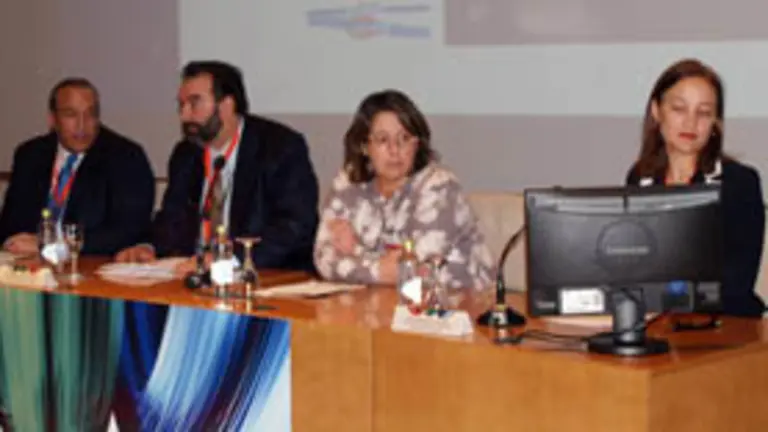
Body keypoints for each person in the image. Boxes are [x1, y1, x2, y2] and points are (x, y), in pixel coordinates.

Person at [116, 61, 319, 272]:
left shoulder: (279, 147)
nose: (184, 116)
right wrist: (149, 247)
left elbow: (295, 225)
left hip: (266, 278)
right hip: (194, 278)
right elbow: (171, 217)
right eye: (181, 105)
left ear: (227, 105)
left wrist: (230, 261)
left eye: (194, 104)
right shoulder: (186, 154)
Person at [626, 58, 766, 317]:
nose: (691, 123)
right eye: (679, 109)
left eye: (704, 113)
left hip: (727, 327)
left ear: (716, 123)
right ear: (657, 111)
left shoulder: (740, 182)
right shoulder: (640, 178)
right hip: (659, 322)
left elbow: (737, 284)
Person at [314, 89, 493, 290]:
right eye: (383, 140)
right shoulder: (348, 183)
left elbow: (417, 272)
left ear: (417, 145)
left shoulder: (439, 186)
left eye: (404, 138)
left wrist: (354, 251)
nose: (394, 150)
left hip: (456, 307)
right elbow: (324, 260)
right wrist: (384, 267)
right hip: (380, 305)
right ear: (364, 146)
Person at [0, 78, 155, 256]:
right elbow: (9, 223)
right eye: (70, 114)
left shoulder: (126, 157)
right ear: (53, 119)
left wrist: (52, 246)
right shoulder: (30, 154)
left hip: (89, 267)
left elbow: (128, 231)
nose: (82, 126)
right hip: (28, 267)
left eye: (90, 114)